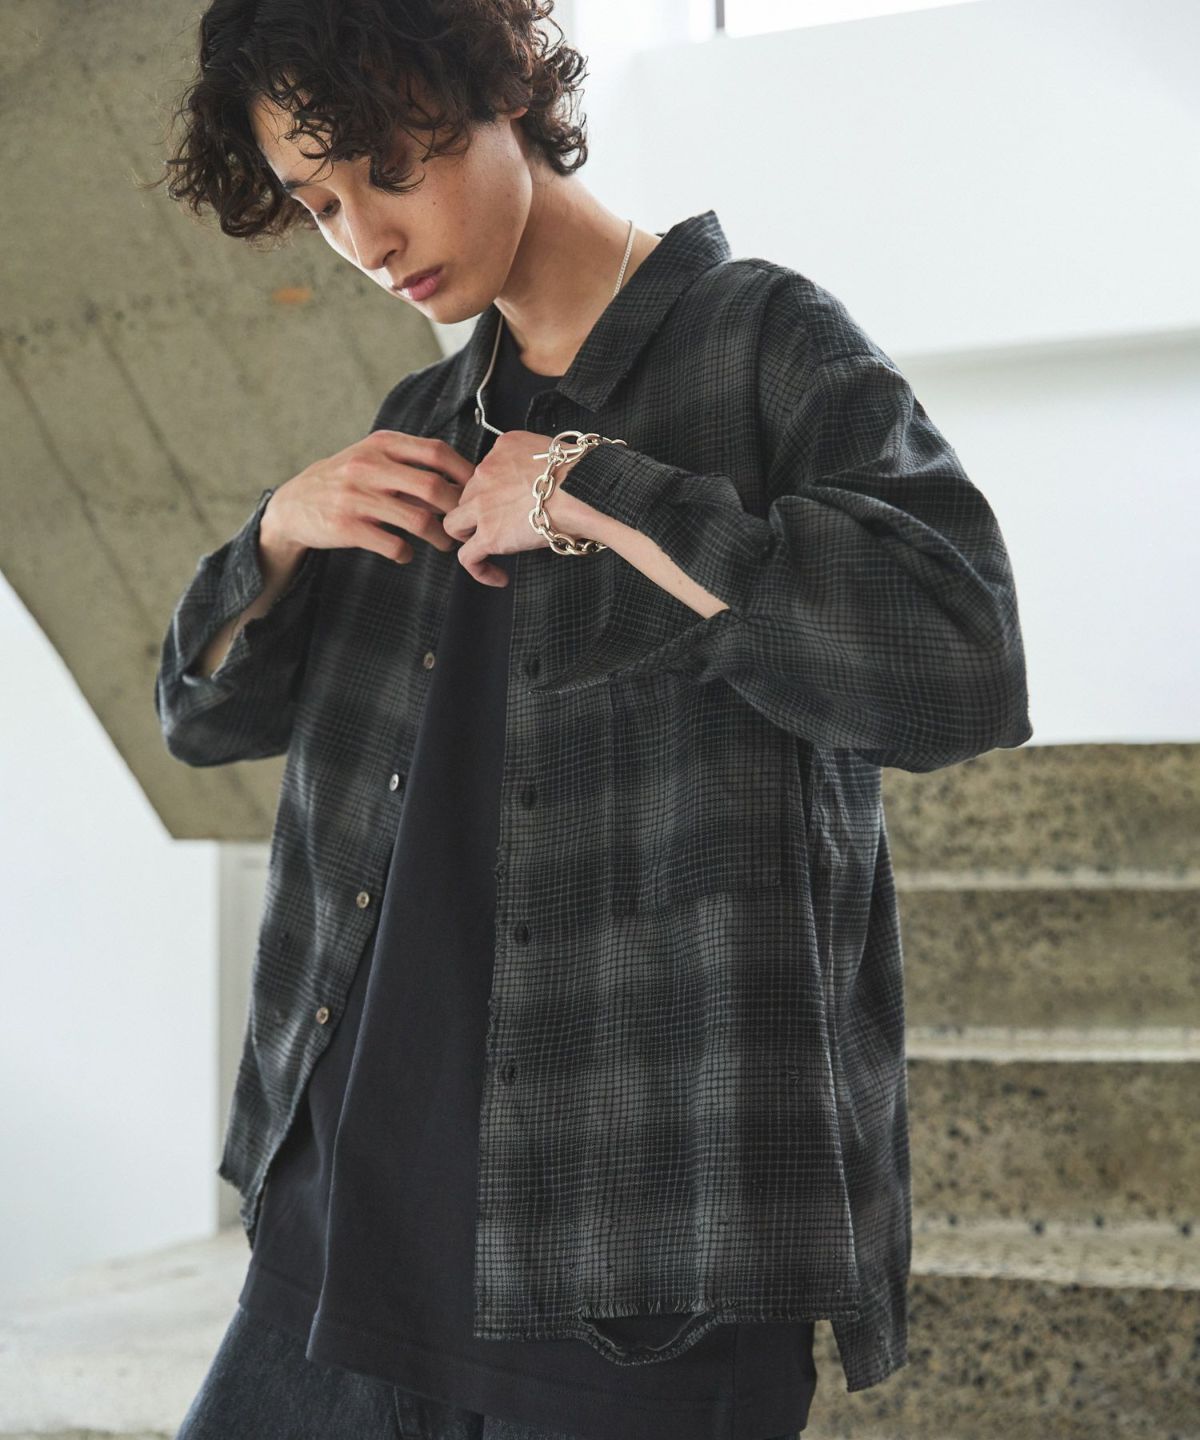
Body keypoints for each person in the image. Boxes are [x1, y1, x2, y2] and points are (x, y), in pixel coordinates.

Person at [153, 2, 1033, 1437]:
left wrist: (596, 490)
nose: (366, 238)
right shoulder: (420, 418)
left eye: (388, 168)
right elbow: (202, 718)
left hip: (644, 1248)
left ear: (503, 86)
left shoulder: (764, 343)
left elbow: (959, 660)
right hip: (350, 1217)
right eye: (319, 204)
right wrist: (273, 537)